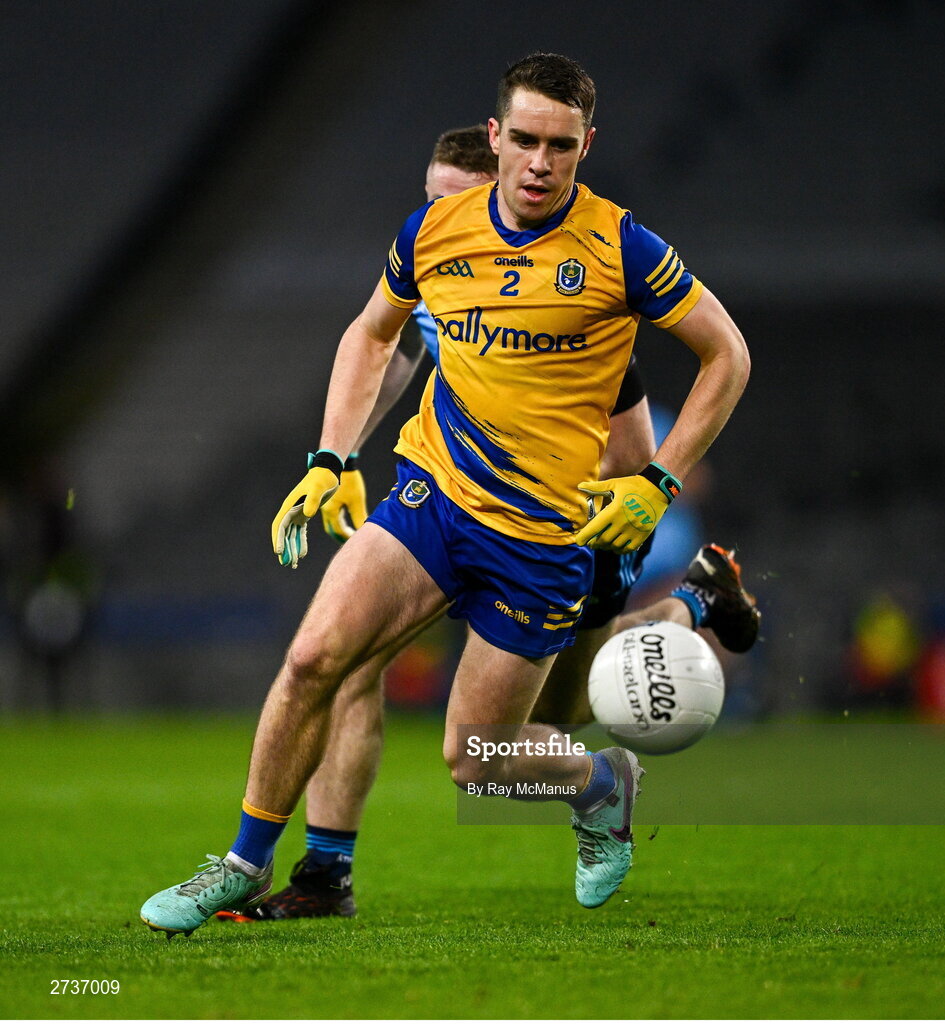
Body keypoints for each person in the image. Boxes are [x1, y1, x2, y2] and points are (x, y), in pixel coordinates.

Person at [140, 52, 753, 937]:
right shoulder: (435, 230)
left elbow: (726, 354)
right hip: (432, 502)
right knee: (316, 660)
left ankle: (603, 782)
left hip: (544, 538)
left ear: (587, 146)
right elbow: (371, 332)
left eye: (562, 146)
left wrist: (656, 483)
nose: (541, 163)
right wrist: (332, 457)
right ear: (496, 137)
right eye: (527, 141)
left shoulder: (619, 245)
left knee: (481, 761)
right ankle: (243, 864)